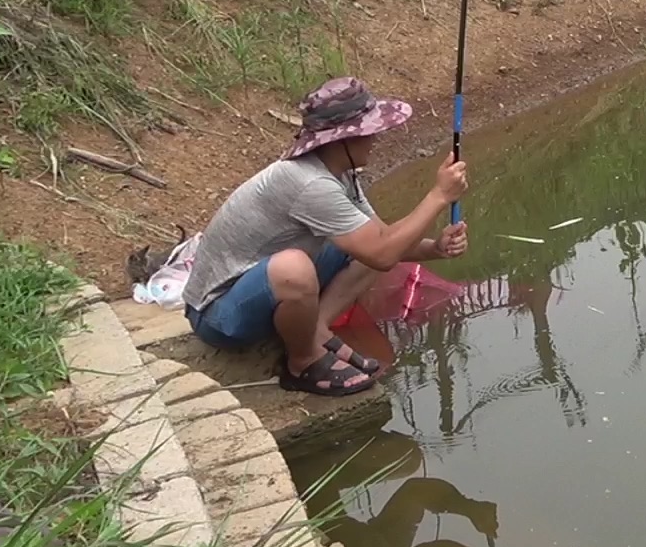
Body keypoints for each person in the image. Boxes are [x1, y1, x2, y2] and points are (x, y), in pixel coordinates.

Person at [180, 76, 470, 397]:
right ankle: (302, 362)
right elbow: (383, 252)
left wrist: (436, 249)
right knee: (295, 269)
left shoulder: (339, 174)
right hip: (217, 315)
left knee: (362, 248)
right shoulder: (308, 183)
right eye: (367, 132)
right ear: (341, 139)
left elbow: (381, 239)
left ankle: (315, 331)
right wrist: (438, 196)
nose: (375, 139)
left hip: (258, 284)